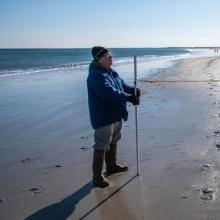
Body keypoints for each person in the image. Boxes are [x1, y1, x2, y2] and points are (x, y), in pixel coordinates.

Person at [87, 46, 141, 188]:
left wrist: (133, 90)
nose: (112, 59)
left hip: (116, 115)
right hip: (104, 116)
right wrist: (129, 98)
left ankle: (111, 166)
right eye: (109, 57)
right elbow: (108, 93)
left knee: (114, 140)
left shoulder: (111, 72)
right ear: (100, 58)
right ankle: (97, 178)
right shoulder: (96, 75)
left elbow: (121, 85)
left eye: (111, 57)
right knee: (101, 145)